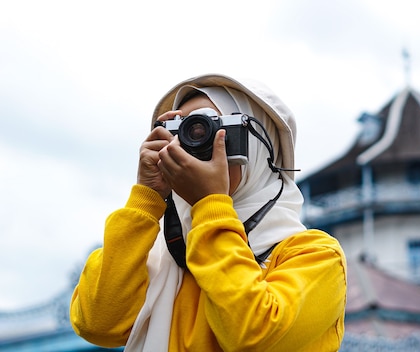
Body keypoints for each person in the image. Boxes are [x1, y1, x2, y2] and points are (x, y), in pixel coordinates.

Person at [70, 73, 347, 351]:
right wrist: (146, 198)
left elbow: (252, 336)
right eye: (181, 131)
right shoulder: (155, 251)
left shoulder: (316, 255)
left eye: (214, 130)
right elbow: (97, 324)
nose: (192, 146)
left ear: (260, 150)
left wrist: (210, 206)